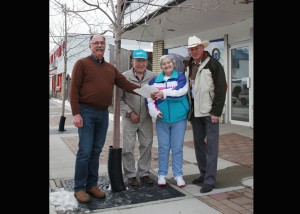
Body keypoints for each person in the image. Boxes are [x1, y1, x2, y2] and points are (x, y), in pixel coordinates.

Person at [69, 34, 140, 203]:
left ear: (105, 46)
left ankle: (91, 185)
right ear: (90, 46)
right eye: (96, 43)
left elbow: (126, 84)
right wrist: (76, 113)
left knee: (96, 152)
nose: (99, 45)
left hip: (102, 113)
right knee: (84, 151)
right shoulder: (81, 64)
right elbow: (73, 90)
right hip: (86, 112)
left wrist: (148, 92)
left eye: (102, 42)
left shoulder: (110, 68)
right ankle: (79, 188)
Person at [185, 35, 227, 193]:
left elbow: (222, 89)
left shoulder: (214, 65)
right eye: (191, 49)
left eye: (196, 48)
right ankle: (203, 174)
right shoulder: (189, 65)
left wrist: (216, 112)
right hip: (195, 112)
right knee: (198, 145)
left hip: (210, 113)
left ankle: (210, 180)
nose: (194, 51)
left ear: (202, 48)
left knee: (211, 147)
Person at [147, 54, 190, 188]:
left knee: (177, 148)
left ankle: (178, 175)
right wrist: (155, 112)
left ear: (173, 63)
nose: (167, 65)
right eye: (164, 64)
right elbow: (149, 99)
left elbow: (181, 91)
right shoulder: (154, 81)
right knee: (163, 148)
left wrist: (164, 93)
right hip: (162, 119)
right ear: (161, 67)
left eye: (169, 63)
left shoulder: (181, 77)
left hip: (179, 119)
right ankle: (162, 174)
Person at [120, 49, 156, 187]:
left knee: (146, 146)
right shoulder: (124, 77)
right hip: (130, 118)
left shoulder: (153, 77)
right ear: (132, 61)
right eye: (138, 60)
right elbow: (119, 99)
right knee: (128, 148)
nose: (140, 63)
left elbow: (156, 96)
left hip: (146, 118)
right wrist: (129, 113)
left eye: (143, 61)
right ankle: (130, 175)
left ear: (147, 62)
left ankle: (144, 173)